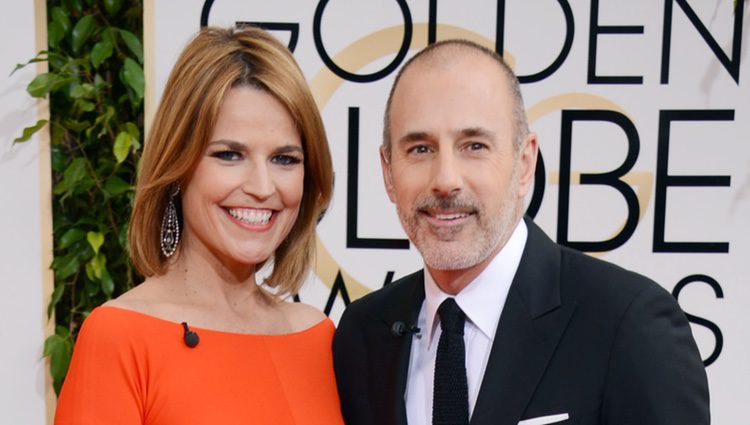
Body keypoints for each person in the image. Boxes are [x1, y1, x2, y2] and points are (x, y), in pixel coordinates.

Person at [333, 39, 709, 425]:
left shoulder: (627, 324)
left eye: (474, 146)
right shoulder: (362, 335)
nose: (445, 180)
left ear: (525, 163)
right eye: (420, 149)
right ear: (388, 171)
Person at [55, 26, 343, 425]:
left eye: (285, 159)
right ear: (177, 163)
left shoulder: (318, 336)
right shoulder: (119, 337)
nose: (262, 187)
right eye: (229, 155)